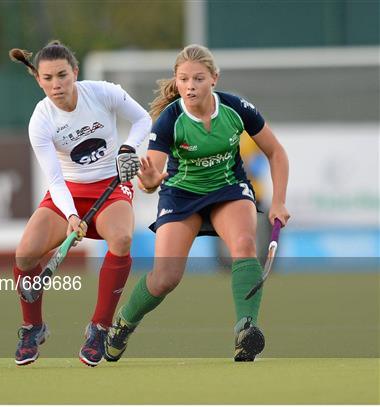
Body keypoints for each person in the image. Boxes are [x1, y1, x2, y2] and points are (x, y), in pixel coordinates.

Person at [104, 44, 290, 362]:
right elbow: (151, 177)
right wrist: (149, 180)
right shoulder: (169, 121)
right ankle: (124, 323)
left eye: (198, 79)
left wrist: (279, 202)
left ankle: (246, 331)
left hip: (228, 190)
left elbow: (276, 152)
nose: (191, 86)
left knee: (245, 245)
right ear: (176, 82)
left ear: (214, 79)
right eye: (184, 79)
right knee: (166, 277)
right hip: (180, 195)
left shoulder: (236, 109)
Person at [8, 40, 151, 367]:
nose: (56, 85)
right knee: (25, 254)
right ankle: (33, 327)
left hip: (111, 186)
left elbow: (143, 120)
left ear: (75, 72)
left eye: (62, 75)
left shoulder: (102, 93)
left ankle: (99, 328)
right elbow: (56, 181)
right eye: (47, 78)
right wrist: (72, 215)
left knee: (122, 239)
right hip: (68, 192)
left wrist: (128, 148)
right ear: (38, 79)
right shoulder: (40, 120)